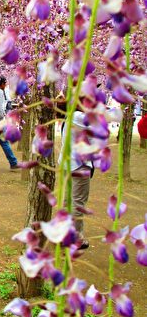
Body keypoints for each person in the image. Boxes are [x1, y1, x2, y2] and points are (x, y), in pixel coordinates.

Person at [59, 107, 94, 250]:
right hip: (79, 165)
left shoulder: (72, 115)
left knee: (68, 200)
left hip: (68, 163)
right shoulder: (79, 117)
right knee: (77, 202)